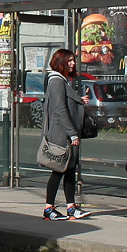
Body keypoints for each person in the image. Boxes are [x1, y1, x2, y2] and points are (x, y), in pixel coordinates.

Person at [41, 48, 91, 220]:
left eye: (73, 60)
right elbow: (60, 109)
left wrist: (79, 100)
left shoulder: (62, 80)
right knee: (58, 169)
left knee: (69, 169)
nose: (73, 63)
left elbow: (65, 102)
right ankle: (49, 208)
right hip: (61, 134)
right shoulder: (56, 80)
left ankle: (71, 207)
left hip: (66, 132)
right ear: (60, 62)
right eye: (69, 61)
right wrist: (73, 134)